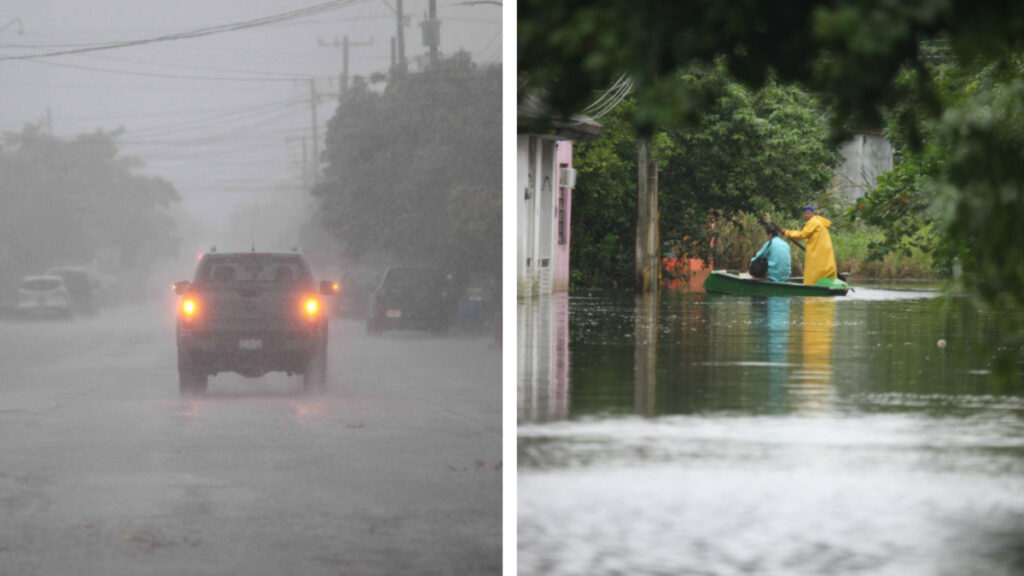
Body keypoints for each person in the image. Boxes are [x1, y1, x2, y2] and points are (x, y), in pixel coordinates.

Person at [783, 205, 837, 285]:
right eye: (805, 213)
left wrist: (787, 233)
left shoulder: (813, 222)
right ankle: (825, 282)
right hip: (823, 250)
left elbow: (803, 234)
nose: (806, 215)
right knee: (825, 267)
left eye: (808, 213)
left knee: (815, 268)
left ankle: (812, 284)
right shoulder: (818, 221)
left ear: (813, 213)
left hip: (819, 250)